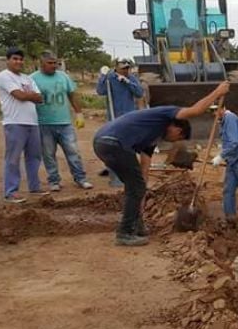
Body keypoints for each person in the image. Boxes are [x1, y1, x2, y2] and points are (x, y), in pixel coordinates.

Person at [93, 81, 230, 246]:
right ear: (178, 130)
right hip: (113, 143)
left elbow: (144, 171)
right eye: (177, 139)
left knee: (136, 187)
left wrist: (142, 195)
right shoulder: (166, 114)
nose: (173, 142)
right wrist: (217, 92)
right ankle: (125, 232)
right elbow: (196, 110)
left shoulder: (151, 137)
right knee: (135, 187)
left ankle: (135, 223)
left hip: (104, 144)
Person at [30, 51, 93, 192]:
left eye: (56, 63)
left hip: (64, 123)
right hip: (44, 123)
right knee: (48, 154)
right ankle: (54, 181)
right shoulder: (32, 79)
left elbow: (72, 94)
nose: (54, 66)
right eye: (50, 63)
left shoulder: (63, 77)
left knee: (73, 152)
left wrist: (79, 113)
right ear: (42, 64)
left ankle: (80, 178)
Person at [0, 47, 47, 203]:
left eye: (20, 59)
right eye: (15, 59)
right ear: (8, 60)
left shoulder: (27, 78)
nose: (18, 62)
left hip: (32, 121)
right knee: (13, 158)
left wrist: (28, 96)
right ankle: (11, 191)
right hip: (14, 122)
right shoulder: (4, 76)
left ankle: (34, 187)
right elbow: (19, 95)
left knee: (34, 157)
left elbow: (40, 98)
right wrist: (30, 96)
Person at [96, 57, 143, 187]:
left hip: (129, 119)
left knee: (129, 149)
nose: (125, 71)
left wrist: (127, 82)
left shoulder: (131, 78)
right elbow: (100, 91)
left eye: (127, 68)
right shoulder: (109, 78)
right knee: (113, 149)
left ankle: (129, 177)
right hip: (114, 120)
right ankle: (115, 179)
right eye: (123, 69)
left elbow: (139, 93)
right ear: (116, 68)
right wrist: (102, 77)